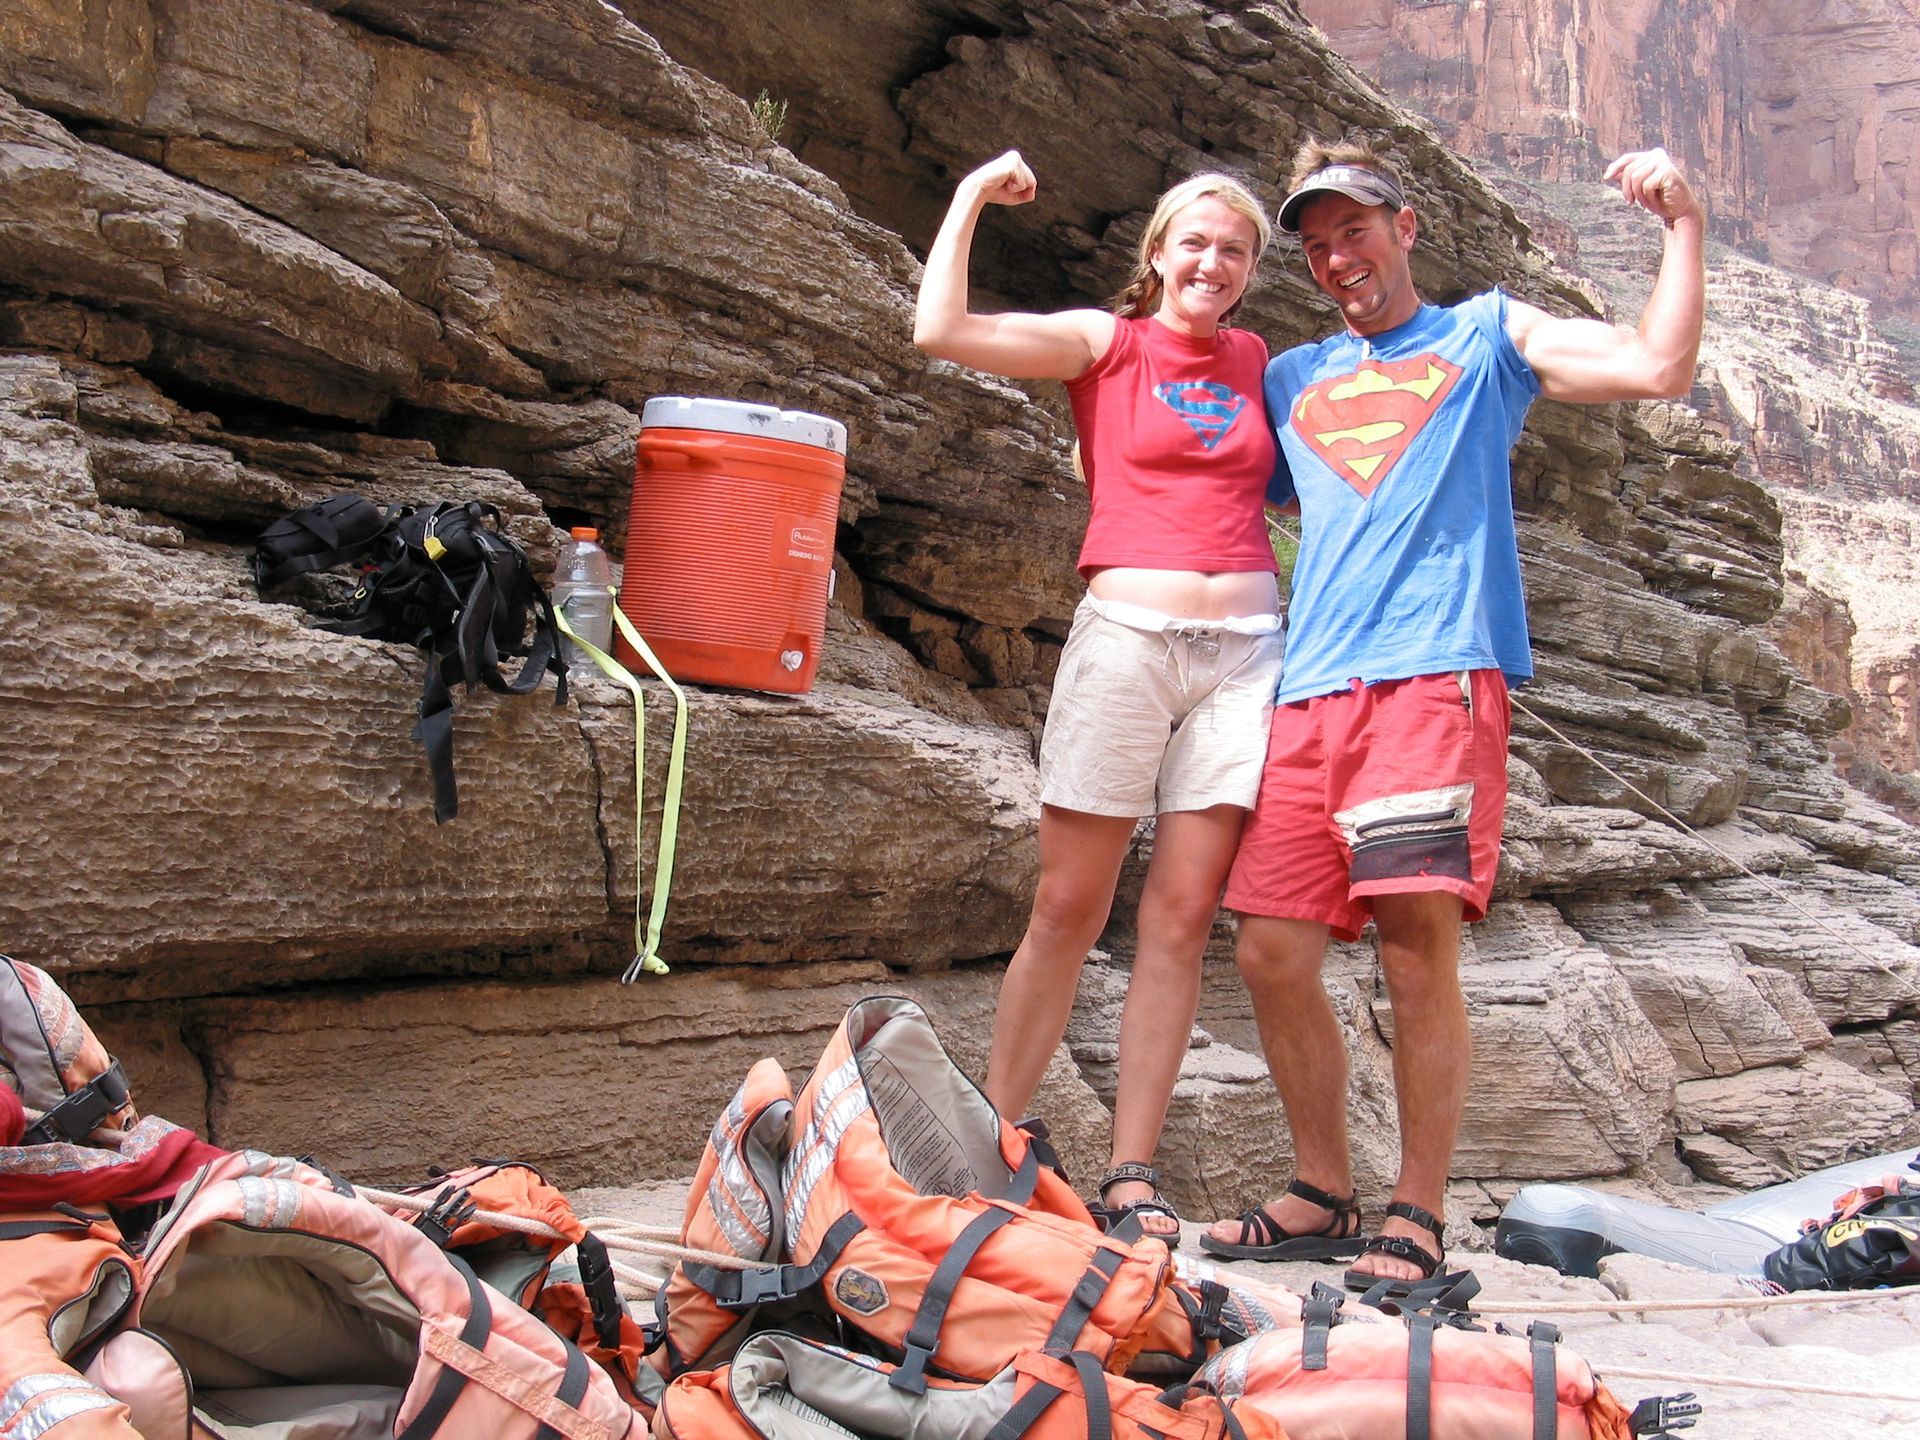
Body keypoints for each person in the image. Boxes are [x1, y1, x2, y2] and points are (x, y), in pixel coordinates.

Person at [1200, 139, 1705, 1286]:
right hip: (1311, 689)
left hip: (1434, 682)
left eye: (1355, 232)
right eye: (1317, 244)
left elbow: (1656, 364)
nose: (1337, 258)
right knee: (1272, 950)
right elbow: (1207, 471)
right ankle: (1322, 1190)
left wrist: (1683, 227)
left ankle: (1415, 1210)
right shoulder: (1293, 377)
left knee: (1415, 949)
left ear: (1406, 227)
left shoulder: (1485, 335)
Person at [914, 150, 1286, 1238]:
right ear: (1160, 253)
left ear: (1251, 269)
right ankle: (999, 1140)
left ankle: (1132, 1172)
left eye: (1235, 250)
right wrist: (973, 192)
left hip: (1249, 654)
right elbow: (941, 330)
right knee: (1069, 906)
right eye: (1197, 243)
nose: (1212, 262)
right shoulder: (1105, 341)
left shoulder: (1259, 357)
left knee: (1179, 918)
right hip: (1127, 638)